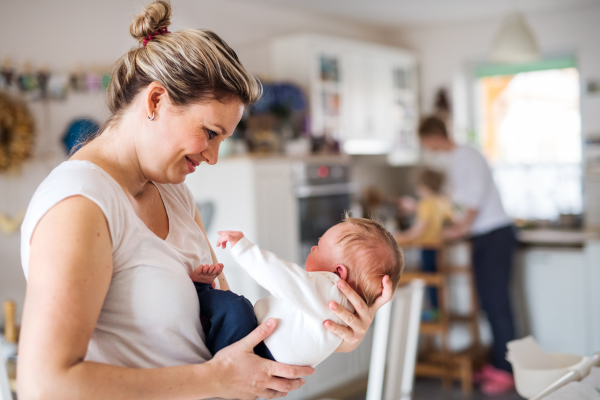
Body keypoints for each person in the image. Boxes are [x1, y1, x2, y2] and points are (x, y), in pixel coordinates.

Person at [17, 2, 394, 399]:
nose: (213, 157)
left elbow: (226, 341)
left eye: (223, 140)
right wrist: (217, 381)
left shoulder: (174, 193)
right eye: (210, 133)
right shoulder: (80, 206)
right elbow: (46, 385)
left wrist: (332, 330)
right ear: (156, 101)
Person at [191, 216, 404, 367]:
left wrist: (242, 248)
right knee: (238, 308)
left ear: (338, 272)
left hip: (256, 349)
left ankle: (200, 290)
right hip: (264, 355)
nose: (312, 249)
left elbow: (283, 278)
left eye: (319, 247)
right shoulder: (346, 310)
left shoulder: (333, 290)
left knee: (236, 307)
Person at [417, 115, 516, 394]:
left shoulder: (464, 156)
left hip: (493, 236)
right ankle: (498, 364)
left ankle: (506, 370)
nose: (428, 147)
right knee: (490, 304)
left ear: (434, 136)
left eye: (426, 142)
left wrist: (458, 229)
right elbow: (460, 203)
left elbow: (473, 199)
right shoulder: (458, 159)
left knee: (497, 305)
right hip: (485, 237)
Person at [396, 167, 453, 315]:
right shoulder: (443, 201)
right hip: (440, 249)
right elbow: (450, 221)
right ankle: (438, 310)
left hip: (428, 247)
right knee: (436, 282)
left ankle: (434, 312)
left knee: (429, 280)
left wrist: (403, 236)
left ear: (423, 186)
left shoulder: (426, 203)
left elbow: (421, 227)